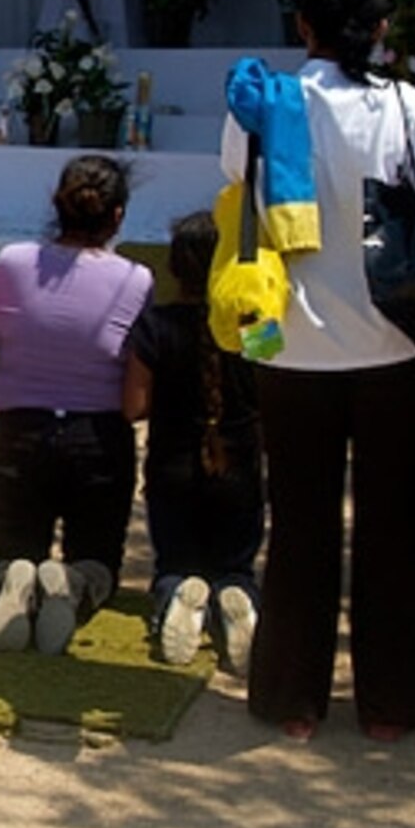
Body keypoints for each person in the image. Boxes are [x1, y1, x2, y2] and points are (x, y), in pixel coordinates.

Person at [222, 0, 415, 743]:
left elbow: (241, 202)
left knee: (301, 526)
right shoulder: (405, 107)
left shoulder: (259, 105)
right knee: (393, 530)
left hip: (290, 346)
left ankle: (291, 699)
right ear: (382, 29)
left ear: (303, 28)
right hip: (395, 346)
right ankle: (392, 702)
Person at [0, 155, 152, 656]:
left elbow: (8, 331)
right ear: (117, 215)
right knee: (99, 560)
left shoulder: (12, 260)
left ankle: (14, 577)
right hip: (97, 438)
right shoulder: (136, 278)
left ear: (58, 204)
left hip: (19, 430)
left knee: (12, 547)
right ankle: (75, 584)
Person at [126, 212, 265, 672]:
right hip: (239, 468)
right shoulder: (256, 324)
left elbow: (133, 406)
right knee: (237, 563)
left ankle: (177, 596)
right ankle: (237, 595)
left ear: (173, 268)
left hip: (172, 469)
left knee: (173, 564)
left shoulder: (153, 325)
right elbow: (275, 391)